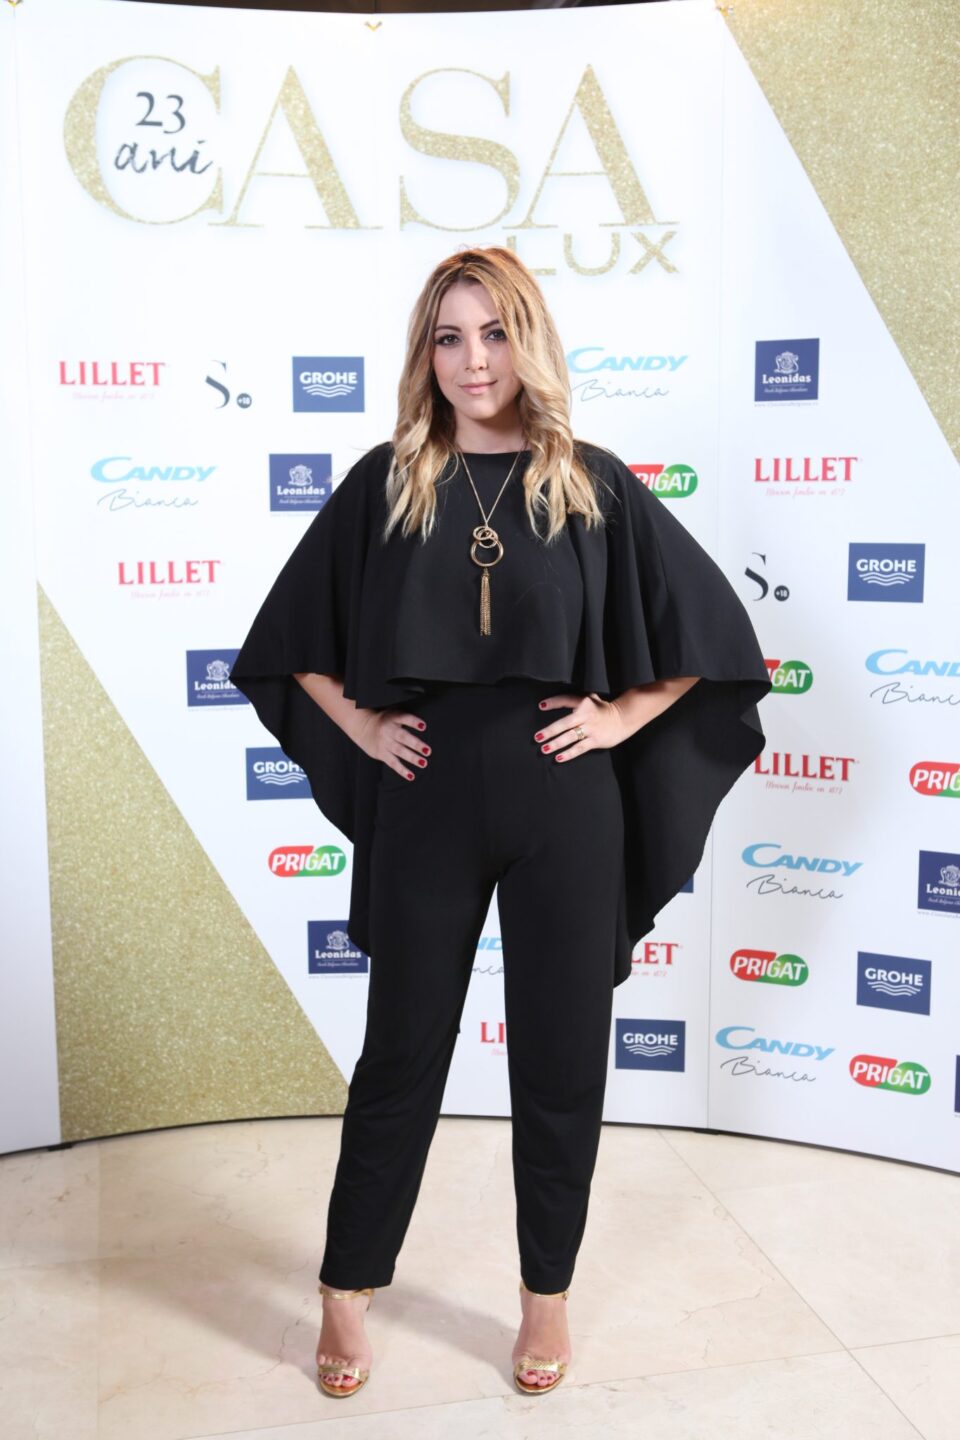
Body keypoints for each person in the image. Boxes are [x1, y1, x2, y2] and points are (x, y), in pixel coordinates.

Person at [229, 246, 771, 1399]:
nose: (473, 360)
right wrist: (364, 726)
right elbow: (287, 639)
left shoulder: (590, 484)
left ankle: (545, 1295)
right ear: (425, 353)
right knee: (402, 1052)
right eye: (449, 337)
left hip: (562, 802)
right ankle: (346, 1287)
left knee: (562, 1057)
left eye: (493, 333)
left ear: (528, 342)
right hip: (427, 799)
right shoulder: (389, 482)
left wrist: (621, 716)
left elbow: (714, 637)